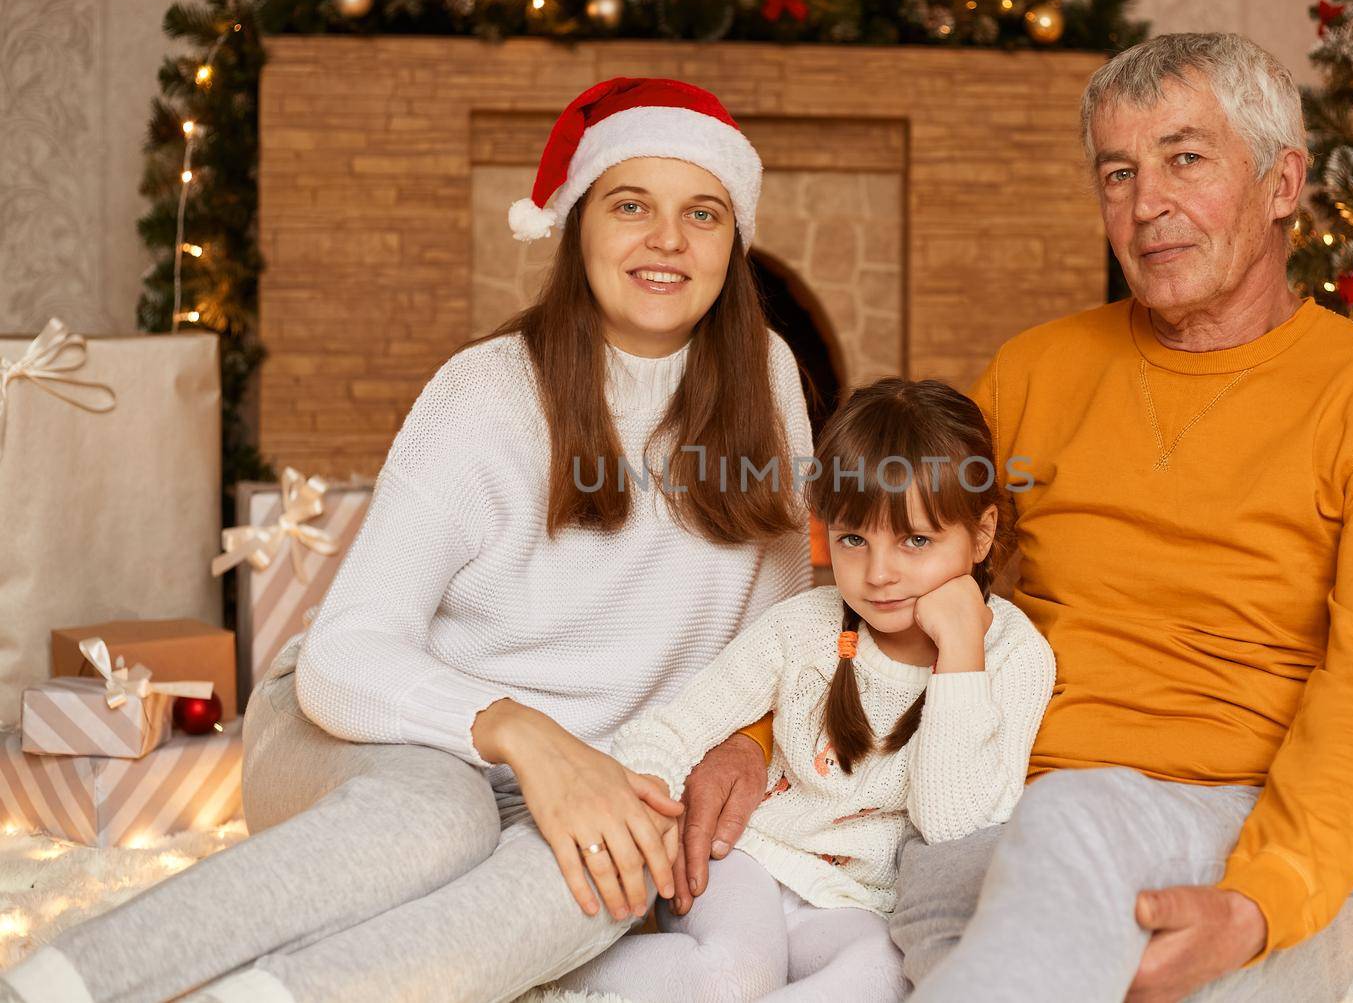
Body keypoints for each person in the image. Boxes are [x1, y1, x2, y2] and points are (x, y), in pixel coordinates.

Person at [1, 77, 815, 1003]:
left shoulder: (769, 381)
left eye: (701, 213)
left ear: (733, 242)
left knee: (617, 870)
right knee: (439, 819)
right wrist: (524, 733)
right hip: (373, 724)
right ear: (577, 223)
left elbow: (779, 633)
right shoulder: (487, 393)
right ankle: (62, 983)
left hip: (592, 774)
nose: (667, 239)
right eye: (632, 205)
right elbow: (344, 660)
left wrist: (740, 745)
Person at [886, 31, 1353, 1002]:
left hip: (1241, 835)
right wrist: (747, 743)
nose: (1144, 204)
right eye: (1117, 172)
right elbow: (889, 578)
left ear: (1282, 183)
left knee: (1090, 849)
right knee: (989, 898)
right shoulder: (1033, 369)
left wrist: (1261, 900)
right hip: (1001, 821)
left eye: (1184, 159)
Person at [556, 378, 1053, 1001]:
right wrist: (642, 824)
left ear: (980, 536)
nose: (877, 575)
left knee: (882, 980)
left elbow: (954, 826)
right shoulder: (807, 626)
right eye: (853, 539)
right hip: (746, 860)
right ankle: (543, 982)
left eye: (916, 541)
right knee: (735, 973)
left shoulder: (1014, 655)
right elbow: (675, 728)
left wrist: (960, 651)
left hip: (858, 904)